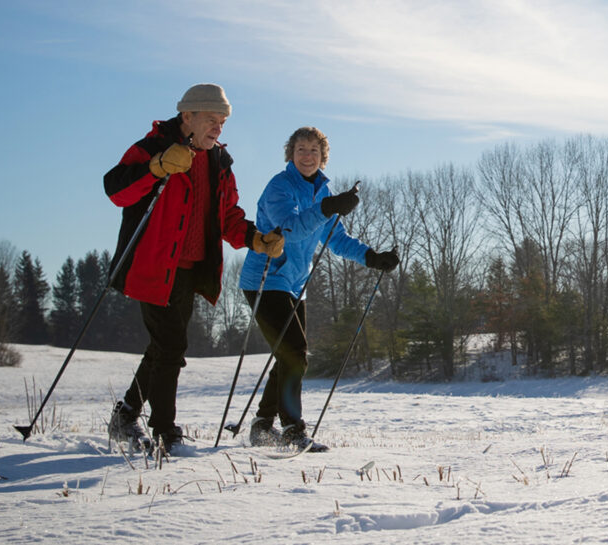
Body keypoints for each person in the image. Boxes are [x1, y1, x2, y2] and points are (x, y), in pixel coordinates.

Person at [104, 84, 285, 454]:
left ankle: (125, 414)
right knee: (171, 346)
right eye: (211, 119)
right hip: (153, 265)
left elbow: (228, 217)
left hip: (191, 270)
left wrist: (256, 239)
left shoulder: (219, 161)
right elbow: (116, 189)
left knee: (162, 347)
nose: (218, 128)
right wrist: (156, 167)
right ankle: (165, 432)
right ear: (187, 116)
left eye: (222, 121)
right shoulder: (152, 147)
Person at [239, 126, 399, 452]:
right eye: (301, 150)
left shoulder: (323, 193)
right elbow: (291, 229)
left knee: (290, 355)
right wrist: (327, 208)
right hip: (265, 280)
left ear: (323, 156)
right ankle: (292, 431)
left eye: (314, 150)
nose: (307, 156)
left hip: (296, 284)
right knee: (294, 354)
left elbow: (335, 239)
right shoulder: (279, 187)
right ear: (291, 154)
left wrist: (372, 258)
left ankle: (262, 425)